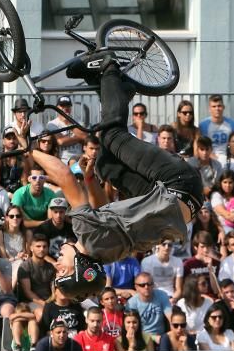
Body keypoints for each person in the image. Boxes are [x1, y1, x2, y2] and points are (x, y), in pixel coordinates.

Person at [26, 62, 204, 304]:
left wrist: (89, 179)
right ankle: (109, 67)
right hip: (176, 184)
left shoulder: (104, 253)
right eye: (62, 271)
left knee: (105, 165)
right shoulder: (87, 235)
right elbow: (65, 176)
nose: (56, 263)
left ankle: (113, 88)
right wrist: (28, 150)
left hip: (172, 199)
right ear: (79, 267)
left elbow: (103, 209)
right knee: (112, 136)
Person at [10, 162, 57, 229]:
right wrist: (43, 223)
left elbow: (51, 221)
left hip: (44, 228)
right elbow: (19, 222)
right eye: (34, 177)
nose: (38, 181)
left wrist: (45, 224)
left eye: (41, 177)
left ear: (45, 180)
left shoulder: (51, 194)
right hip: (25, 228)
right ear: (29, 179)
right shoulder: (19, 194)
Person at [125, 272, 172, 339]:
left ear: (153, 285)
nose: (146, 287)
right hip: (141, 338)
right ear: (136, 287)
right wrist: (153, 338)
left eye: (149, 284)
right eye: (142, 285)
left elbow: (171, 318)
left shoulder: (162, 295)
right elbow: (131, 327)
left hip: (161, 336)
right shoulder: (131, 303)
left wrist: (173, 334)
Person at [198, 94, 234, 162]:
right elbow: (202, 145)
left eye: (219, 106)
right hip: (210, 157)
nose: (217, 109)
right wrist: (211, 156)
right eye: (214, 106)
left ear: (223, 107)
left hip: (229, 157)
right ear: (209, 109)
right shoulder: (203, 125)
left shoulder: (232, 124)